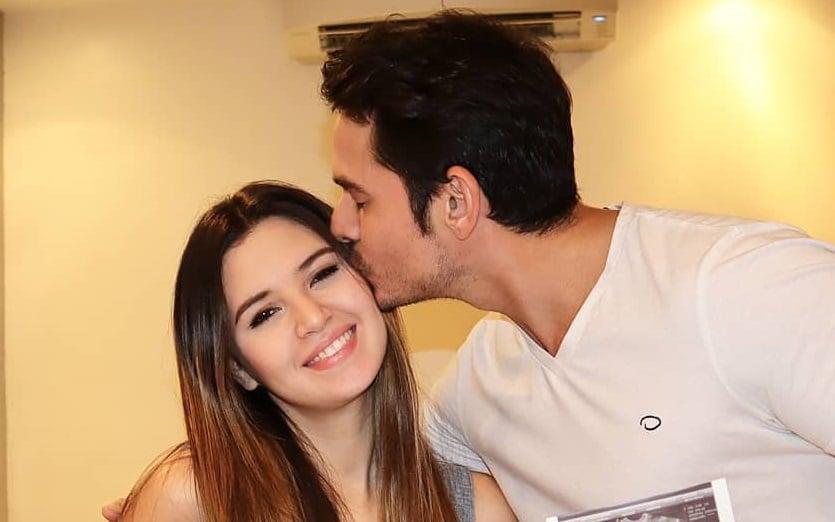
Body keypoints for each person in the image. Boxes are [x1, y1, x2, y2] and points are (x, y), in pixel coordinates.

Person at [320, 10, 835, 521]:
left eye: (359, 200)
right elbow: (381, 490)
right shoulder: (479, 383)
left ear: (457, 201)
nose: (340, 225)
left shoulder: (748, 286)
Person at [105, 181, 515, 521]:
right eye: (265, 314)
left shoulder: (478, 509)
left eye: (322, 274)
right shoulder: (191, 500)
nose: (313, 317)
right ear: (238, 369)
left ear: (367, 276)